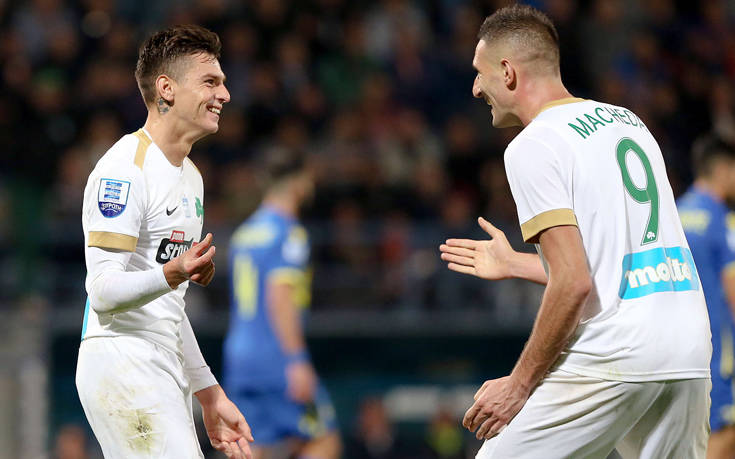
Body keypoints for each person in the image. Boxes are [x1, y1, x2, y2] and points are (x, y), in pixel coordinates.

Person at [439, 5, 711, 458]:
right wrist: (517, 263)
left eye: (479, 73)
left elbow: (573, 282)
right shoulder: (629, 122)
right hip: (686, 348)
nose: (475, 87)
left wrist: (518, 385)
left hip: (617, 353)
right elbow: (611, 266)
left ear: (507, 72)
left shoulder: (533, 144)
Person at [76, 25, 253, 459]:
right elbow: (102, 291)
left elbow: (169, 307)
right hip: (121, 359)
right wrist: (172, 272)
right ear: (166, 89)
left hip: (160, 362)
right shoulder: (123, 171)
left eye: (223, 82)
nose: (225, 94)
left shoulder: (191, 178)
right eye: (210, 82)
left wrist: (208, 392)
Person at [223, 148, 341, 459]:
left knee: (251, 448)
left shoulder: (245, 233)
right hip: (275, 357)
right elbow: (279, 296)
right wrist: (296, 359)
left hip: (240, 358)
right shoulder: (289, 234)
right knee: (325, 441)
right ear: (298, 181)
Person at [678, 134, 735, 459]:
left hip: (680, 344)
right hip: (719, 347)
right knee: (723, 434)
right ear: (724, 170)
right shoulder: (722, 219)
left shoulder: (674, 213)